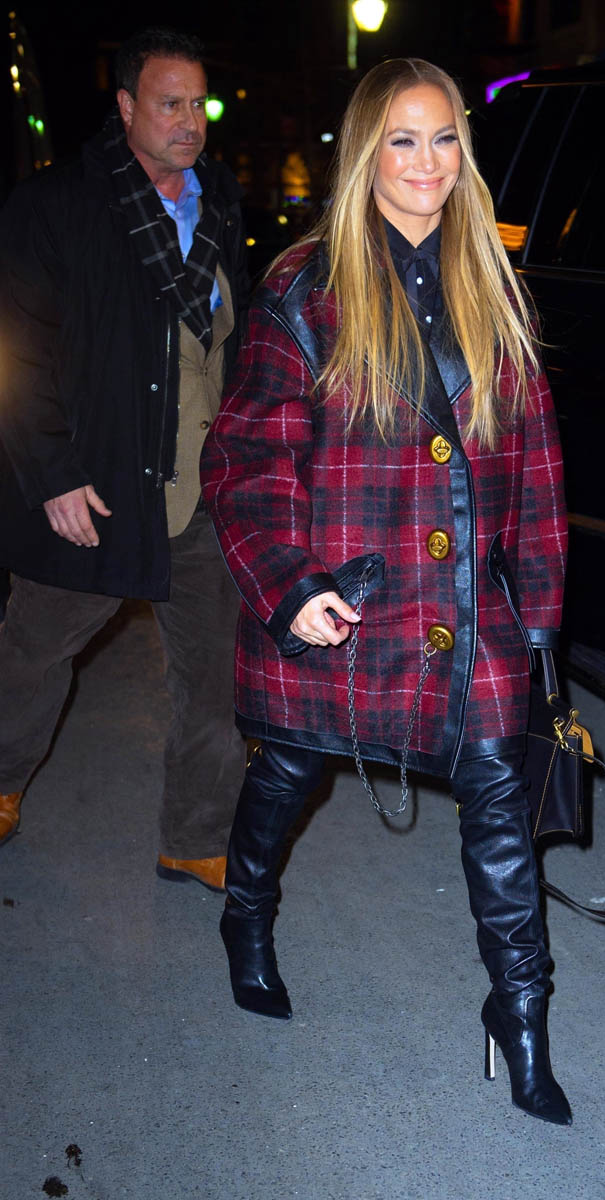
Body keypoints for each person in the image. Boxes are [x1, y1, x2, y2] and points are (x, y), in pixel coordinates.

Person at [201, 58, 571, 1123]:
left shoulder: (494, 283)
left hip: (467, 605)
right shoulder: (306, 287)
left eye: (445, 137)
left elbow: (537, 465)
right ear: (368, 152)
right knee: (289, 772)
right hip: (345, 598)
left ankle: (520, 1014)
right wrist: (289, 586)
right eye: (403, 139)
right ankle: (246, 911)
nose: (427, 162)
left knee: (499, 796)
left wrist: (537, 619)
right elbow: (245, 460)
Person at [0, 28, 248, 889]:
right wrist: (53, 474)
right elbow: (18, 350)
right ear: (125, 107)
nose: (189, 121)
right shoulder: (57, 205)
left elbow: (228, 341)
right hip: (97, 485)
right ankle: (0, 783)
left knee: (216, 678)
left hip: (204, 486)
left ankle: (196, 837)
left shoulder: (219, 203)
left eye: (198, 104)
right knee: (34, 655)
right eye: (170, 103)